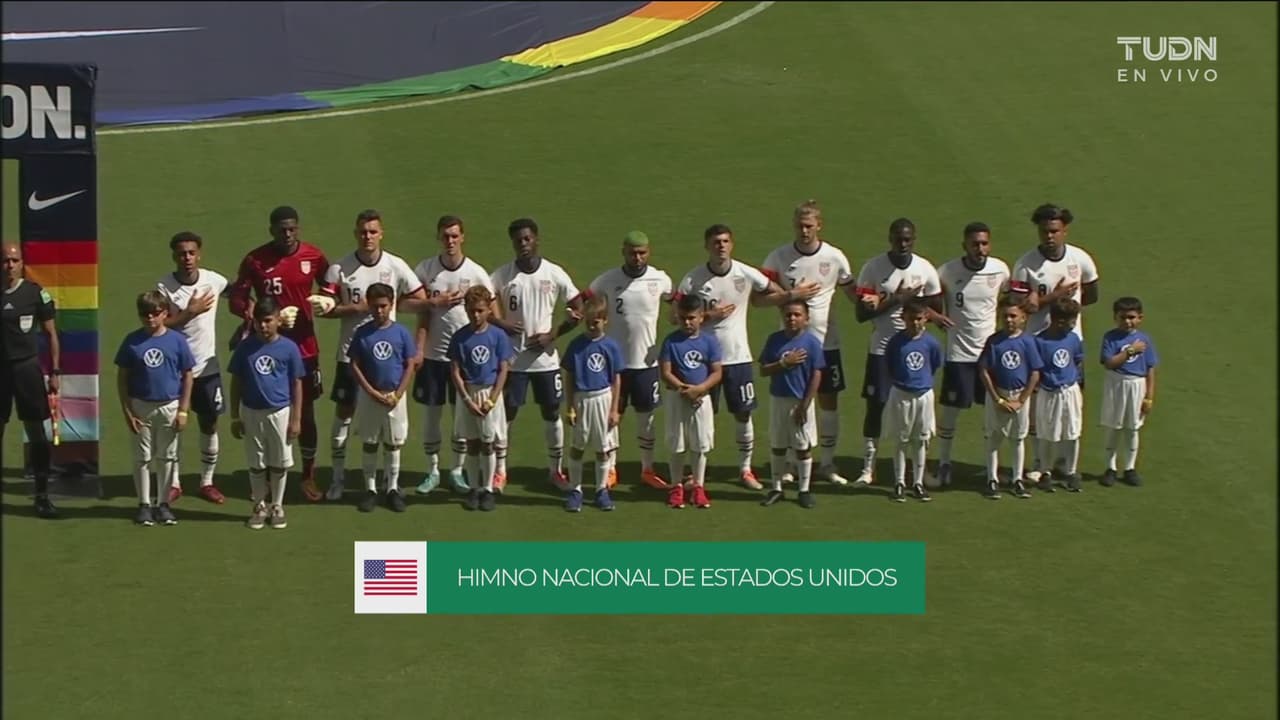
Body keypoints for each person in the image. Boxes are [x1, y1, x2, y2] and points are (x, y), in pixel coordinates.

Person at [677, 223, 799, 491]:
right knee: (702, 417)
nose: (721, 246)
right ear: (707, 246)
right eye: (716, 242)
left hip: (738, 357)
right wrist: (709, 316)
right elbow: (674, 317)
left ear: (732, 244)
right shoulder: (692, 279)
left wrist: (788, 297)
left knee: (743, 414)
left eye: (725, 241)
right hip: (704, 361)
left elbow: (774, 291)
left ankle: (745, 469)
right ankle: (695, 472)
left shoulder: (746, 273)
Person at [315, 209, 426, 501]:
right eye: (363, 232)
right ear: (356, 234)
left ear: (381, 233)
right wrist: (357, 309)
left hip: (387, 359)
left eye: (373, 231)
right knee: (344, 417)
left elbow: (420, 299)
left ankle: (388, 485)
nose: (368, 237)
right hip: (349, 356)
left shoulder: (396, 265)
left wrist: (391, 307)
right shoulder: (340, 268)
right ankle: (338, 479)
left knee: (387, 428)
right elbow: (324, 309)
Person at [228, 206, 329, 501]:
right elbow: (237, 298)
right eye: (281, 229)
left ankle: (308, 476)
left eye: (292, 229)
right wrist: (251, 317)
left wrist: (327, 300)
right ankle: (267, 478)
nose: (287, 234)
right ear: (271, 230)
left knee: (305, 412)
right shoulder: (255, 260)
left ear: (298, 228)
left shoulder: (314, 256)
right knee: (265, 409)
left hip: (306, 348)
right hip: (266, 350)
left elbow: (332, 283)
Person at [761, 201, 853, 486]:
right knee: (791, 401)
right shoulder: (778, 257)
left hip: (827, 343)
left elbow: (852, 292)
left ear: (819, 226)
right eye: (800, 226)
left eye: (809, 226)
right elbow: (759, 298)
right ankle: (789, 461)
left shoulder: (835, 257)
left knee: (828, 401)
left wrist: (873, 302)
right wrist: (791, 294)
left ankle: (826, 462)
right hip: (791, 345)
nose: (804, 231)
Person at [489, 218, 584, 492]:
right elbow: (485, 299)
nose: (523, 245)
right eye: (518, 240)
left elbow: (577, 308)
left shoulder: (554, 273)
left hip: (546, 362)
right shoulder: (503, 275)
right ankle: (500, 471)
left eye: (527, 239)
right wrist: (502, 322)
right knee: (506, 415)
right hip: (513, 362)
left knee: (552, 413)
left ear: (537, 239)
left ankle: (555, 471)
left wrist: (552, 335)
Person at [1010, 204, 1099, 481]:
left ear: (1065, 231)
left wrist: (1060, 311)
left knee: (1070, 401)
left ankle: (1064, 461)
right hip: (1037, 344)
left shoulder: (1081, 259)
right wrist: (1054, 297)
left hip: (1071, 344)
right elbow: (1019, 306)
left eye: (1054, 231)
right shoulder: (1026, 264)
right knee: (1038, 405)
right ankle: (1039, 461)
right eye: (1044, 231)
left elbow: (1092, 295)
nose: (1049, 236)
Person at [854, 218, 944, 487]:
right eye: (898, 239)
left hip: (915, 349)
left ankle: (919, 471)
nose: (902, 244)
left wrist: (919, 307)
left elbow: (935, 306)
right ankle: (868, 468)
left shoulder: (925, 269)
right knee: (876, 405)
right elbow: (860, 314)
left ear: (914, 239)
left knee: (920, 414)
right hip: (882, 348)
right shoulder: (873, 267)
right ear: (890, 239)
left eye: (907, 240)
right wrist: (896, 299)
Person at [411, 215, 494, 495]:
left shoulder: (477, 273)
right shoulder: (425, 269)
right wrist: (434, 302)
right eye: (445, 236)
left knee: (461, 418)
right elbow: (406, 303)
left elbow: (492, 311)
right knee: (432, 416)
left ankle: (457, 471)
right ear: (438, 238)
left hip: (465, 362)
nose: (450, 241)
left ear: (463, 237)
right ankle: (433, 470)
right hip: (433, 357)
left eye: (455, 236)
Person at [586, 231, 673, 490]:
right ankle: (611, 468)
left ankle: (647, 468)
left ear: (649, 252)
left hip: (647, 365)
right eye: (632, 253)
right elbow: (584, 299)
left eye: (642, 253)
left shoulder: (660, 279)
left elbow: (677, 302)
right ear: (623, 251)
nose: (637, 258)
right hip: (616, 366)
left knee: (646, 418)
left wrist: (679, 318)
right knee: (613, 418)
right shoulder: (608, 280)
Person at [933, 222, 1011, 488]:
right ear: (964, 245)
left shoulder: (1000, 270)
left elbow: (1010, 303)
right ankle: (943, 464)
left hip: (989, 356)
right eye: (975, 244)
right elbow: (929, 303)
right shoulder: (947, 271)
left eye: (984, 243)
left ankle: (992, 468)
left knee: (994, 414)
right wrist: (935, 316)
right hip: (958, 355)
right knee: (950, 414)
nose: (980, 249)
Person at [157, 231, 229, 505]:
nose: (186, 258)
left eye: (191, 252)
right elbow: (161, 324)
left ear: (199, 254)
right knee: (173, 425)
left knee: (209, 424)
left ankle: (207, 481)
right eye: (181, 253)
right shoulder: (164, 286)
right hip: (175, 370)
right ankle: (174, 483)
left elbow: (238, 296)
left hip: (207, 367)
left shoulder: (214, 280)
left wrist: (250, 314)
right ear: (174, 256)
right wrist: (191, 312)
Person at [114, 291, 195, 526]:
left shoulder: (177, 341)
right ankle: (143, 504)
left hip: (169, 405)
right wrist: (128, 411)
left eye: (155, 314)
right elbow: (122, 379)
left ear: (165, 313)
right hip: (141, 405)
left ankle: (163, 504)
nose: (150, 319)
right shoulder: (132, 341)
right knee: (142, 458)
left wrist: (183, 410)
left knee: (168, 456)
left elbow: (188, 375)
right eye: (145, 315)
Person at [228, 298, 304, 530]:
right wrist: (234, 416)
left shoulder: (289, 348)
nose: (263, 326)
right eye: (260, 322)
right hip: (251, 412)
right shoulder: (245, 347)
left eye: (268, 321)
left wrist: (296, 419)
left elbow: (296, 384)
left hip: (280, 411)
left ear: (278, 320)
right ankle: (259, 505)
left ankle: (277, 505)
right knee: (257, 463)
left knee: (279, 462)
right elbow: (236, 382)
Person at [1, 241, 61, 519]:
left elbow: (51, 334)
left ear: (22, 263)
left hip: (27, 370)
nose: (9, 266)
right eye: (5, 261)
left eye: (14, 261)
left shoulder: (35, 294)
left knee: (37, 433)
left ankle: (41, 495)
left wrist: (55, 373)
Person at [348, 283, 419, 512]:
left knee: (393, 443)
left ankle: (392, 488)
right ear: (368, 305)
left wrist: (398, 394)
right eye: (375, 306)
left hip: (394, 398)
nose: (379, 311)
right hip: (371, 396)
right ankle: (370, 489)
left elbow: (410, 364)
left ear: (392, 305)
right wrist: (371, 392)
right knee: (370, 442)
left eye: (383, 306)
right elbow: (355, 365)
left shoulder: (401, 332)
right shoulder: (362, 333)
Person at [448, 286, 514, 512]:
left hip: (489, 393)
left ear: (488, 311)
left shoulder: (498, 336)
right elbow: (455, 370)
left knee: (488, 443)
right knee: (472, 443)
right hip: (468, 392)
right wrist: (466, 400)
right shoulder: (460, 337)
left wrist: (492, 399)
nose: (475, 315)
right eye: (471, 310)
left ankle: (488, 488)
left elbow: (503, 368)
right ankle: (474, 488)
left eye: (480, 310)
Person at [758, 299, 825, 509]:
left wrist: (805, 405)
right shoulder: (774, 340)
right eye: (788, 315)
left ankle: (804, 490)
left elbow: (816, 374)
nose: (792, 319)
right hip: (779, 399)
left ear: (806, 319)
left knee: (802, 447)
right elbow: (763, 370)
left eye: (797, 315)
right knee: (778, 445)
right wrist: (783, 363)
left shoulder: (812, 343)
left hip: (801, 401)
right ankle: (776, 488)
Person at [560, 295, 625, 512]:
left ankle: (600, 490)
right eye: (588, 321)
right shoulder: (576, 345)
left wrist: (615, 409)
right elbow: (569, 376)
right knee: (577, 447)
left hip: (603, 398)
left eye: (596, 321)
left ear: (605, 320)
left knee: (602, 448)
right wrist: (569, 406)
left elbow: (616, 378)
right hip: (581, 399)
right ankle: (575, 489)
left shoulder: (610, 346)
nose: (591, 325)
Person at [659, 294, 723, 509]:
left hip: (701, 399)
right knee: (677, 444)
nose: (687, 322)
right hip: (677, 398)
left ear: (701, 317)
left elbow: (717, 372)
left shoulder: (709, 341)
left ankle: (698, 487)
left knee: (700, 444)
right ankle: (676, 486)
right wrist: (682, 389)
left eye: (692, 318)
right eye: (683, 318)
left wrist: (701, 389)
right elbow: (665, 371)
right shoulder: (670, 341)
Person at [978, 300, 1044, 499]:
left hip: (1019, 396)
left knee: (1018, 439)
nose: (1008, 320)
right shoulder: (994, 341)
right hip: (998, 395)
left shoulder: (1028, 341)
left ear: (1023, 318)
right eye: (1005, 316)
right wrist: (997, 399)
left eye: (1013, 316)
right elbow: (983, 370)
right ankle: (992, 479)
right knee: (994, 438)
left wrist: (1021, 400)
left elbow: (1035, 372)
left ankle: (1017, 479)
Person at [883, 299, 944, 503]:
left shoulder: (932, 343)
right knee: (901, 440)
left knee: (921, 440)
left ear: (926, 318)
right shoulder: (895, 342)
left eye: (919, 319)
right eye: (911, 319)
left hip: (924, 395)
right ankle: (899, 483)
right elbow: (891, 366)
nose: (915, 323)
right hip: (902, 394)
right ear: (903, 318)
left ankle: (918, 483)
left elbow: (934, 364)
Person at [1098, 296, 1158, 487]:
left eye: (1131, 317)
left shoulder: (1145, 339)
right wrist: (1131, 351)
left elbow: (1150, 369)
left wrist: (1149, 396)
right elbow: (1109, 363)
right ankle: (1110, 468)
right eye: (1122, 317)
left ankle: (1130, 468)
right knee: (1113, 427)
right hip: (1116, 383)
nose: (1127, 321)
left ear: (1140, 317)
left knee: (1132, 428)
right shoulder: (1110, 337)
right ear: (1115, 317)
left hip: (1136, 385)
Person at [1033, 299, 1086, 492]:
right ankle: (1045, 471)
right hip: (1049, 393)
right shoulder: (1039, 341)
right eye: (1069, 321)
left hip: (1070, 391)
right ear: (1057, 320)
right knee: (1047, 434)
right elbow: (1035, 368)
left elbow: (1077, 361)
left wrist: (1075, 385)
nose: (1072, 325)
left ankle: (1071, 472)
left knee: (1073, 432)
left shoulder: (1073, 339)